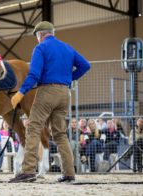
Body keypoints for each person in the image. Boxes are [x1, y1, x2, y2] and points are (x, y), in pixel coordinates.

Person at [9, 21, 90, 183]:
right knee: (60, 133)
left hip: (46, 92)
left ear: (40, 35)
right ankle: (69, 173)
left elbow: (34, 75)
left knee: (33, 127)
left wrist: (21, 92)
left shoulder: (40, 48)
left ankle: (28, 170)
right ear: (52, 33)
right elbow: (85, 65)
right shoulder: (67, 47)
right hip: (64, 93)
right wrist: (68, 78)